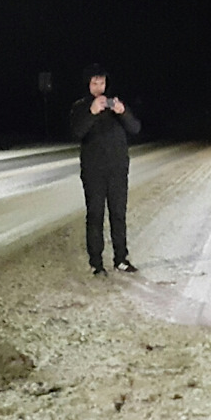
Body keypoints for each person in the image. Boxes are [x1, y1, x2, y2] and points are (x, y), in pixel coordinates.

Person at [68, 67, 141, 275]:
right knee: (95, 215)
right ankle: (96, 263)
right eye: (94, 83)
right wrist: (91, 112)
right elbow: (77, 132)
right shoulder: (81, 107)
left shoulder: (116, 105)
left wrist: (123, 112)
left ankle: (121, 259)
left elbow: (135, 128)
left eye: (101, 83)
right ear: (88, 85)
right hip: (93, 171)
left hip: (117, 169)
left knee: (118, 214)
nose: (99, 88)